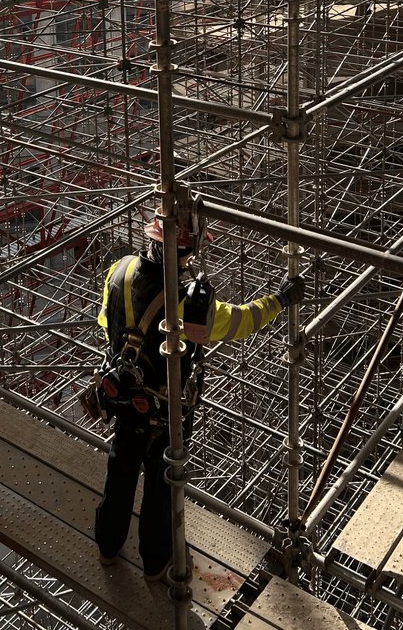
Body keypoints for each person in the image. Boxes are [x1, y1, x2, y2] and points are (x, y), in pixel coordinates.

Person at [92, 213, 308, 581]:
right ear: (185, 252)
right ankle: (156, 563)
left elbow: (105, 323)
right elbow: (241, 321)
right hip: (164, 414)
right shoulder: (187, 304)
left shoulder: (120, 270)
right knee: (162, 489)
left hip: (122, 400)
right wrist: (281, 299)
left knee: (120, 473)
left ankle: (108, 548)